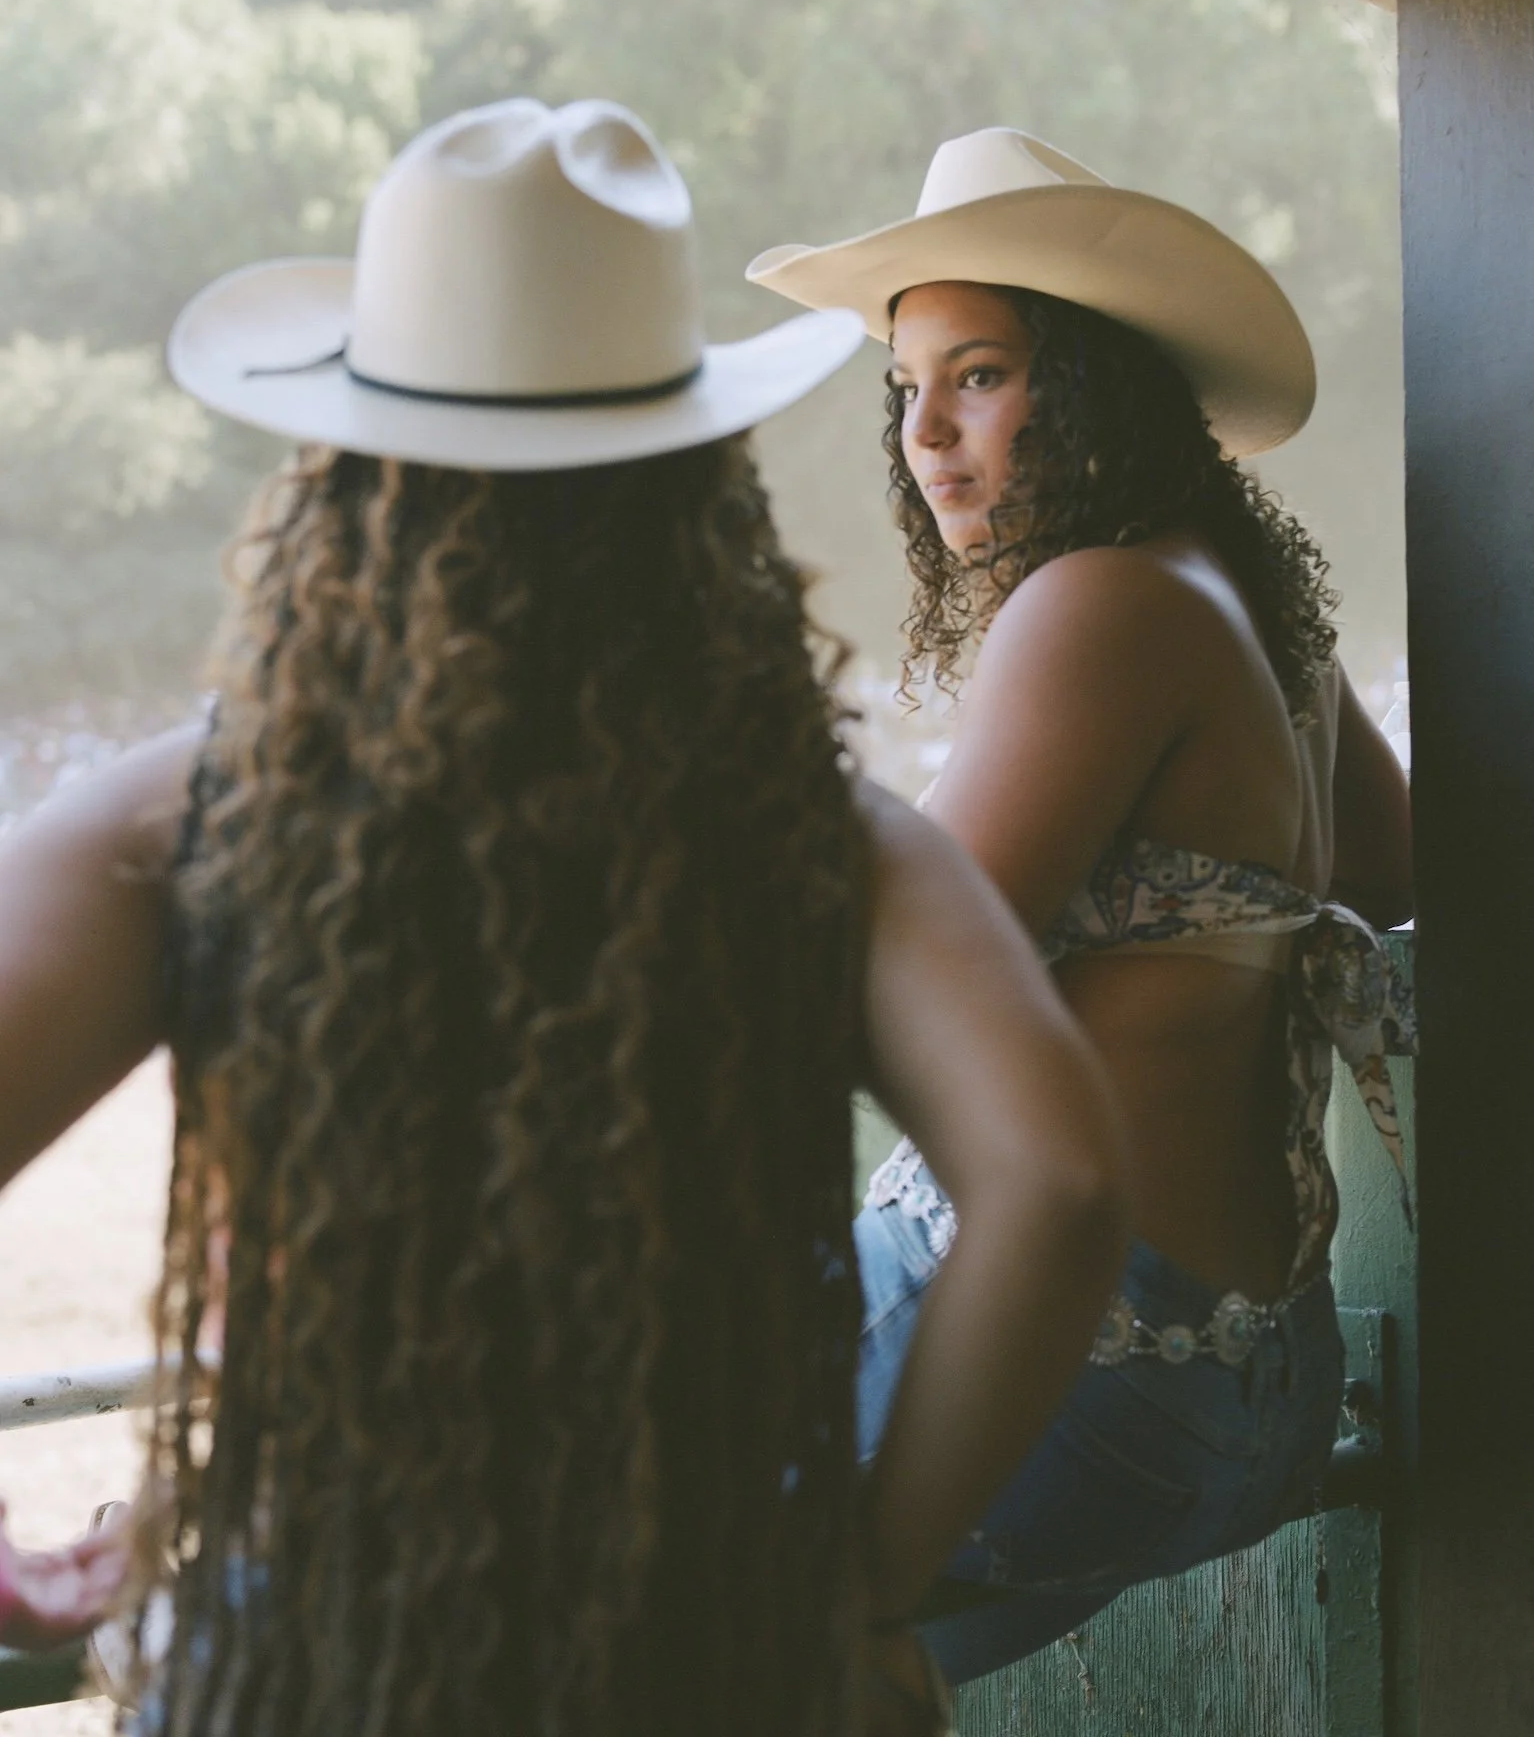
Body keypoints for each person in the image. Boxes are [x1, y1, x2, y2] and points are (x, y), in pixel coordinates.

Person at [0, 101, 1130, 1737]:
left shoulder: (186, 819)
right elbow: (1066, 1183)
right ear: (695, 483)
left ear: (348, 477)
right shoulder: (819, 839)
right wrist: (861, 1581)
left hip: (317, 1642)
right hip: (711, 1632)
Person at [749, 126, 1416, 1681]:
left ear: (1096, 378)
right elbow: (1393, 873)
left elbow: (880, 980)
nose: (926, 432)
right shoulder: (1252, 620)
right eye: (906, 387)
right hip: (1251, 1386)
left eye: (978, 374)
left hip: (1060, 1358)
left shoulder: (1098, 603)